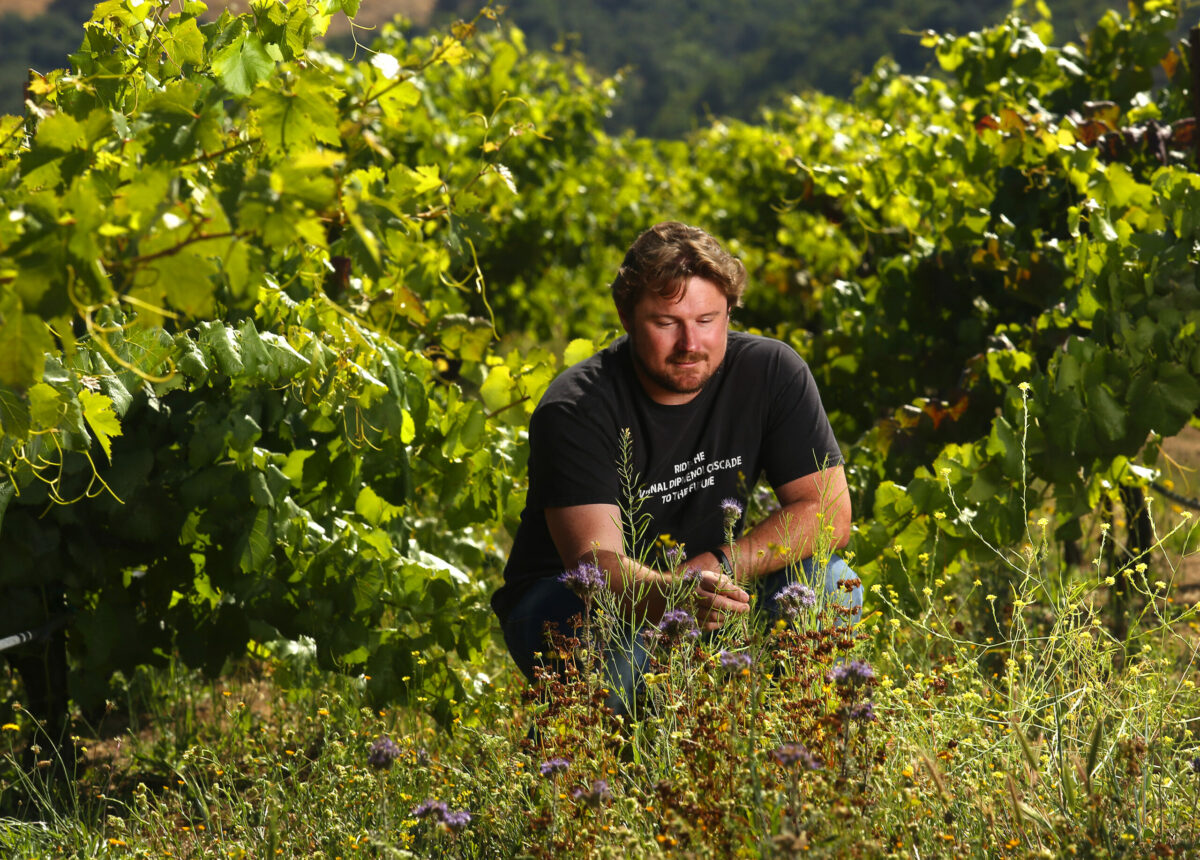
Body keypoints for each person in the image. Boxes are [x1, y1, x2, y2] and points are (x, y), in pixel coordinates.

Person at [491, 221, 861, 715]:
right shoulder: (577, 408)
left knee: (829, 583)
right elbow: (594, 567)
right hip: (571, 602)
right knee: (633, 667)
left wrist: (720, 568)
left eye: (707, 319)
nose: (691, 343)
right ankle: (580, 773)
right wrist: (673, 594)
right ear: (626, 316)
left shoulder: (771, 372)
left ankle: (785, 747)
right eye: (667, 323)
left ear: (730, 311)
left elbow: (828, 513)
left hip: (706, 581)